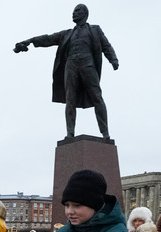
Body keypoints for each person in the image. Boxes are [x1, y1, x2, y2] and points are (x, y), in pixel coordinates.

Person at [14, 3, 119, 140]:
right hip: (71, 66)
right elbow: (48, 38)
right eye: (73, 11)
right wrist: (29, 41)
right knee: (70, 100)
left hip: (88, 64)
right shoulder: (67, 34)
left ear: (85, 14)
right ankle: (70, 133)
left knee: (97, 97)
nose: (73, 13)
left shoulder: (95, 30)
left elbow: (106, 46)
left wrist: (113, 59)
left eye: (77, 11)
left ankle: (105, 134)